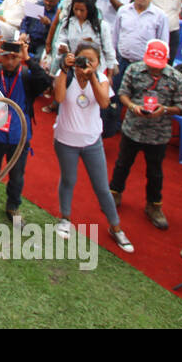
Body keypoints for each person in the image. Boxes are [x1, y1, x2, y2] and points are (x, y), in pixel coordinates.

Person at [51, 43, 134, 252]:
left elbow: (104, 102)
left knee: (101, 187)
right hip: (65, 140)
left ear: (98, 63)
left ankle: (115, 227)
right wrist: (64, 68)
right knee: (68, 180)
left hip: (91, 141)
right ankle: (65, 218)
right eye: (81, 59)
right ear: (73, 58)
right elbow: (59, 98)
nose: (85, 64)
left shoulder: (102, 79)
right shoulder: (66, 74)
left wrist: (93, 77)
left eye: (92, 61)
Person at [0, 34, 52, 222]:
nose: (11, 61)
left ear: (20, 57)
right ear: (0, 56)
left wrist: (30, 60)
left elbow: (46, 83)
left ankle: (13, 207)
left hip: (19, 136)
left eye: (15, 57)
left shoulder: (27, 76)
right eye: (6, 56)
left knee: (17, 175)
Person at [110, 40, 182, 230]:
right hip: (133, 127)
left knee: (155, 172)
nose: (154, 69)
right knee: (122, 164)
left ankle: (154, 205)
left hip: (158, 133)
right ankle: (114, 193)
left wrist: (165, 110)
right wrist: (133, 106)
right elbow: (123, 94)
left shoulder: (176, 78)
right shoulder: (134, 70)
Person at [112, 0, 169, 89]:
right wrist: (113, 61)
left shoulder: (160, 16)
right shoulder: (123, 11)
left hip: (145, 65)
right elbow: (115, 37)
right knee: (119, 96)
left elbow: (163, 43)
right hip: (122, 61)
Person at [49, 0, 115, 77]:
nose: (78, 13)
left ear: (89, 10)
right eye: (75, 9)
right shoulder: (68, 23)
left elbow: (109, 51)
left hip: (96, 70)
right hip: (74, 68)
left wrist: (109, 75)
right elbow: (61, 41)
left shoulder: (101, 26)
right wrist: (63, 48)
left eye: (82, 10)